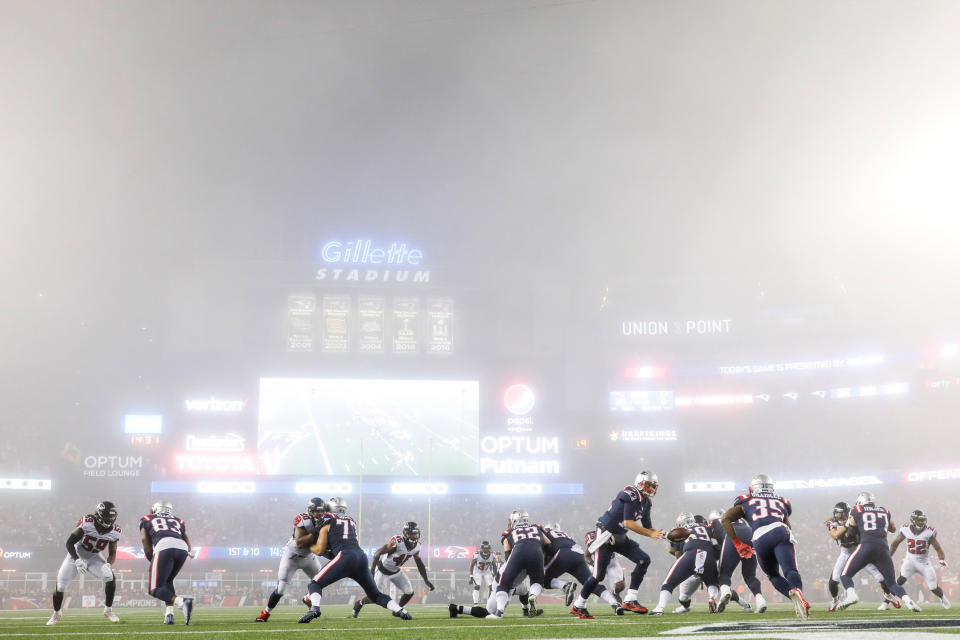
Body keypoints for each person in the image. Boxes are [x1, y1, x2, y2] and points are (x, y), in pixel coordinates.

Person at [298, 497, 411, 622]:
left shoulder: (327, 520)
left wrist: (309, 546)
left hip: (345, 557)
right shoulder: (350, 520)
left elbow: (319, 550)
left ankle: (315, 609)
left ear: (328, 508)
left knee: (315, 583)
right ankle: (400, 610)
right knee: (375, 595)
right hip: (361, 557)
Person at [573, 471, 664, 616]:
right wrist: (650, 534)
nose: (651, 489)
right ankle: (579, 605)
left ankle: (630, 599)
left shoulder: (647, 502)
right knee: (598, 576)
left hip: (620, 536)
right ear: (639, 483)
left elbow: (647, 526)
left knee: (644, 560)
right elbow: (628, 523)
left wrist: (663, 534)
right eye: (648, 485)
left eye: (653, 486)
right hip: (606, 534)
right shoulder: (630, 493)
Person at [721, 474, 810, 620]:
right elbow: (787, 524)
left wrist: (738, 543)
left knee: (773, 575)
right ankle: (797, 590)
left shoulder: (745, 500)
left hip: (759, 537)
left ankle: (791, 594)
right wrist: (786, 539)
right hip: (780, 530)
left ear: (752, 488)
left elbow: (725, 519)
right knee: (791, 570)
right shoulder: (782, 500)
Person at [836, 492, 920, 611]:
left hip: (866, 546)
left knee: (845, 575)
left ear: (860, 502)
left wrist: (852, 525)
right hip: (883, 549)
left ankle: (851, 595)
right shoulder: (884, 510)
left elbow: (850, 534)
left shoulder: (857, 509)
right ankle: (908, 601)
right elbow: (892, 528)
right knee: (892, 584)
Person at [46, 501, 122, 626]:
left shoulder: (115, 531)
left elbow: (113, 553)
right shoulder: (87, 523)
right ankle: (56, 613)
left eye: (112, 516)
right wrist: (76, 559)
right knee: (60, 586)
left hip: (94, 557)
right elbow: (69, 543)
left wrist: (108, 564)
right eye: (107, 516)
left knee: (110, 578)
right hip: (76, 554)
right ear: (99, 514)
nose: (110, 519)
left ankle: (108, 610)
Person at [256, 497, 329, 621]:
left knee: (321, 580)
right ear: (311, 510)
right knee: (281, 589)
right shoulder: (303, 520)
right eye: (317, 511)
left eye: (322, 511)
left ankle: (308, 598)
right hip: (292, 556)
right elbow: (299, 542)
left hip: (309, 556)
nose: (320, 513)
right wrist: (316, 532)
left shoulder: (326, 520)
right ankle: (265, 613)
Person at [539, 522, 623, 619]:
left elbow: (545, 549)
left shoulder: (545, 533)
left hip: (563, 554)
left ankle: (565, 586)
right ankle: (614, 604)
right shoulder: (565, 534)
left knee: (543, 580)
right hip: (579, 555)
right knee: (591, 584)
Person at [825, 501, 896, 612]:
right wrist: (846, 524)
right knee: (834, 580)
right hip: (845, 552)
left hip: (860, 550)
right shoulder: (833, 523)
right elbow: (835, 535)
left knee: (880, 576)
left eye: (843, 514)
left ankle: (888, 594)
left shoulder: (856, 518)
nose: (840, 516)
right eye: (838, 514)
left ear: (848, 512)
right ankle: (835, 600)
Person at [353, 521, 434, 617]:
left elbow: (419, 564)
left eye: (416, 533)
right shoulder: (398, 541)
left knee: (409, 592)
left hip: (396, 571)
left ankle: (397, 610)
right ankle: (359, 603)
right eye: (412, 534)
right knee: (374, 598)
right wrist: (371, 572)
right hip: (382, 570)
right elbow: (377, 554)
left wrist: (426, 580)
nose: (414, 536)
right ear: (406, 534)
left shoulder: (417, 547)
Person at [650, 512, 720, 614]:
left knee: (668, 583)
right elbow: (716, 539)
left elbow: (678, 555)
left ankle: (660, 608)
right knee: (712, 583)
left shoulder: (678, 531)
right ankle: (712, 598)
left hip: (691, 553)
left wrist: (685, 570)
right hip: (709, 554)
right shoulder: (705, 526)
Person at [486, 510, 549, 619]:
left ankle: (499, 612)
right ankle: (532, 597)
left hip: (518, 554)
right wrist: (543, 558)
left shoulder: (509, 532)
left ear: (515, 520)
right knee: (537, 581)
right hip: (537, 553)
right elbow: (548, 543)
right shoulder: (536, 527)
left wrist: (516, 565)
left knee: (504, 585)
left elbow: (507, 554)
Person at [140, 500, 196, 625]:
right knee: (167, 581)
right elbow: (185, 537)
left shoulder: (147, 518)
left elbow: (145, 540)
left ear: (155, 509)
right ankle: (169, 614)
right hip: (182, 548)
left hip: (164, 545)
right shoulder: (178, 520)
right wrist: (189, 550)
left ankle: (182, 602)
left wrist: (151, 558)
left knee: (154, 589)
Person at [889, 509, 949, 609]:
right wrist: (889, 555)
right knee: (900, 580)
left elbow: (938, 548)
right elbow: (895, 543)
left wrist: (941, 559)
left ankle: (942, 598)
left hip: (924, 563)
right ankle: (886, 602)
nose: (921, 522)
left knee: (933, 587)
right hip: (910, 561)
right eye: (919, 520)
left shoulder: (929, 532)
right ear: (913, 520)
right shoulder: (906, 529)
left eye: (922, 520)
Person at [709, 508, 763, 613]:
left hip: (732, 535)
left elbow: (714, 544)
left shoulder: (714, 522)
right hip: (750, 533)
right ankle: (760, 600)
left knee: (723, 574)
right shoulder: (736, 517)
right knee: (750, 575)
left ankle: (725, 593)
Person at [584, 525, 626, 604]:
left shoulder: (609, 537)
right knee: (587, 582)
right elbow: (586, 556)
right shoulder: (592, 542)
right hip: (597, 564)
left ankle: (615, 593)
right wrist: (594, 564)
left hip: (611, 564)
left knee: (621, 586)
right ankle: (582, 600)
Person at [468, 541, 499, 605]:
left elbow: (494, 566)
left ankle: (490, 603)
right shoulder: (477, 554)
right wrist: (471, 576)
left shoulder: (492, 554)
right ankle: (475, 604)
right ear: (482, 548)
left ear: (489, 547)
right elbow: (471, 566)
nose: (486, 549)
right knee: (477, 587)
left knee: (491, 587)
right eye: (484, 548)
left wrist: (495, 576)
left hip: (487, 572)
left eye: (487, 548)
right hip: (477, 572)